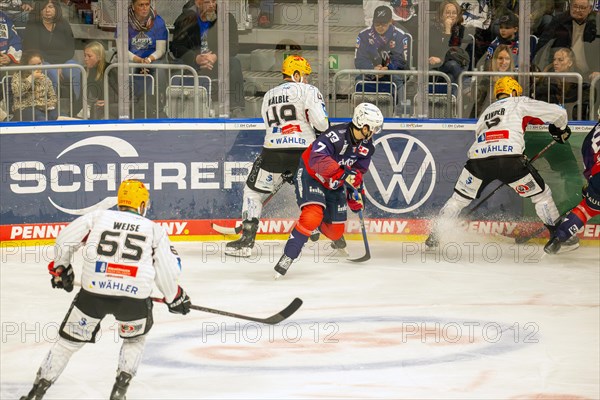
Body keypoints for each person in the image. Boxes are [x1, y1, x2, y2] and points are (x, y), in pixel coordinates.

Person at [19, 180, 191, 400]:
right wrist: (174, 296)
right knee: (134, 340)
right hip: (133, 299)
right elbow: (166, 270)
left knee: (67, 343)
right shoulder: (154, 230)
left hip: (93, 295)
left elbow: (64, 240)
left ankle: (36, 393)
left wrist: (61, 267)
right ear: (141, 205)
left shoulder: (98, 217)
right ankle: (119, 394)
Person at [425, 77, 576, 249]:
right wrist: (561, 129)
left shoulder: (486, 112)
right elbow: (559, 112)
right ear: (513, 92)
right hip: (509, 160)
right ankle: (558, 236)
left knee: (458, 200)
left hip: (478, 162)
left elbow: (481, 137)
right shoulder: (518, 101)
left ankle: (435, 235)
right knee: (541, 195)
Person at [225, 55, 330, 257]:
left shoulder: (269, 95)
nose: (307, 80)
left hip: (273, 152)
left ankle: (247, 241)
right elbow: (322, 124)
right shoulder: (309, 91)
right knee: (311, 191)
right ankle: (320, 229)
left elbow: (269, 125)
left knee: (253, 192)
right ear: (296, 74)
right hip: (304, 153)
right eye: (305, 75)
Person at [273, 103, 384, 278]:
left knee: (336, 231)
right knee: (312, 216)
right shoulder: (335, 136)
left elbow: (358, 172)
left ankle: (324, 227)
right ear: (364, 125)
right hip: (312, 175)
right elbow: (317, 160)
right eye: (374, 128)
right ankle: (288, 256)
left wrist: (355, 193)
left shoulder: (367, 146)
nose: (374, 132)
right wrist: (343, 174)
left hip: (335, 182)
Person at [171, 0, 245, 115]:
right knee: (175, 67)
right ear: (197, 3)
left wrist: (215, 56)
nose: (211, 5)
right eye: (207, 2)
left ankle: (237, 108)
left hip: (216, 62)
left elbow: (233, 46)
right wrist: (196, 58)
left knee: (234, 63)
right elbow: (176, 47)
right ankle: (174, 110)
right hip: (192, 64)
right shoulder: (185, 19)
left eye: (214, 1)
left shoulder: (226, 18)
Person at [545, 119, 600, 254]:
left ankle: (558, 239)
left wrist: (591, 186)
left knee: (586, 209)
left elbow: (590, 168)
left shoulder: (590, 137)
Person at [21, 0, 80, 102]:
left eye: (51, 7)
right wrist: (54, 66)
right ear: (39, 10)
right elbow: (33, 50)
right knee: (51, 72)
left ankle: (78, 107)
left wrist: (60, 65)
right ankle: (52, 106)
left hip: (63, 62)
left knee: (75, 69)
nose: (47, 10)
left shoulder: (64, 24)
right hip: (42, 62)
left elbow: (70, 49)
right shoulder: (33, 25)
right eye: (44, 7)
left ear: (56, 9)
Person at [354, 5, 411, 107]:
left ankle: (400, 113)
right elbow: (359, 60)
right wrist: (373, 69)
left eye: (384, 24)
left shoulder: (400, 36)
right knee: (359, 79)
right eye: (377, 24)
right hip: (371, 72)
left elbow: (401, 61)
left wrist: (387, 68)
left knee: (398, 79)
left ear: (390, 22)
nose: (380, 27)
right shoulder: (363, 35)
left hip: (391, 72)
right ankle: (360, 111)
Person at [121, 0, 168, 117]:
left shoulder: (158, 21)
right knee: (124, 70)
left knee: (160, 71)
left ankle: (159, 106)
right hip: (132, 60)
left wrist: (148, 60)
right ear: (133, 6)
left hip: (153, 60)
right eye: (141, 5)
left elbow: (161, 49)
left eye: (147, 4)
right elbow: (122, 49)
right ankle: (128, 106)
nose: (145, 8)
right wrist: (139, 61)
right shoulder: (124, 22)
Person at [534, 0, 598, 81]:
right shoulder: (559, 21)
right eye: (575, 6)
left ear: (590, 9)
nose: (578, 10)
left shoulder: (597, 23)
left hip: (590, 72)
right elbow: (543, 45)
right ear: (570, 6)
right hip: (562, 71)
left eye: (582, 8)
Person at [429, 0, 468, 84]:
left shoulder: (460, 30)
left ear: (458, 15)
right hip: (435, 66)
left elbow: (453, 51)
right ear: (441, 15)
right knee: (452, 66)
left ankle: (458, 93)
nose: (451, 16)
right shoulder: (432, 29)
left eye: (454, 13)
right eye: (447, 12)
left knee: (451, 72)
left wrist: (448, 30)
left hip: (454, 64)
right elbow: (432, 50)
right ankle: (466, 85)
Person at [470, 44, 515, 117]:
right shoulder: (486, 82)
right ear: (494, 60)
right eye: (500, 58)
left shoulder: (516, 81)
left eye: (507, 59)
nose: (504, 62)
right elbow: (477, 109)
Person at [11, 50, 57, 121]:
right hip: (24, 108)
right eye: (33, 65)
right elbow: (17, 92)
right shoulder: (18, 76)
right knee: (40, 118)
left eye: (39, 64)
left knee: (56, 117)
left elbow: (53, 96)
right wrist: (31, 78)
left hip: (43, 108)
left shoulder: (45, 78)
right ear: (26, 65)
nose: (37, 67)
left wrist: (50, 103)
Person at [82, 41, 118, 119]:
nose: (86, 59)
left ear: (99, 57)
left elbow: (123, 94)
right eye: (85, 55)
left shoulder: (110, 70)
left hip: (114, 106)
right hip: (99, 106)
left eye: (89, 56)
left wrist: (108, 102)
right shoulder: (86, 71)